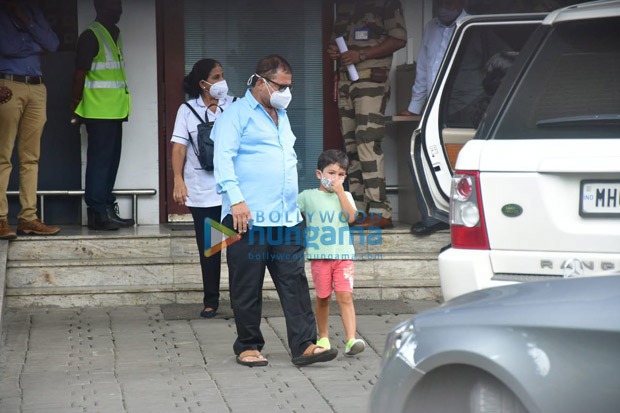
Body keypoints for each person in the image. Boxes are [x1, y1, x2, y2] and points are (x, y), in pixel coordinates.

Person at [213, 55, 338, 367]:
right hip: (246, 215)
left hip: (285, 216)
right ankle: (248, 345)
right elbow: (222, 159)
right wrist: (237, 200)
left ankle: (304, 345)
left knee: (293, 281)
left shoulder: (282, 114)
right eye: (281, 86)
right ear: (260, 82)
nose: (286, 92)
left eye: (289, 86)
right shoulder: (235, 114)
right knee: (247, 283)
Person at [327, 0, 407, 229]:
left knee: (368, 143)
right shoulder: (345, 6)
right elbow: (335, 40)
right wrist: (333, 49)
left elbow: (399, 39)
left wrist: (361, 55)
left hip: (370, 80)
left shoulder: (385, 4)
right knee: (351, 146)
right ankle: (358, 209)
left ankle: (380, 210)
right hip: (344, 81)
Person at [171, 58, 234, 319]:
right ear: (203, 83)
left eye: (222, 75)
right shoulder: (187, 110)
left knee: (236, 247)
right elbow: (179, 147)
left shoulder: (234, 105)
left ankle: (240, 297)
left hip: (230, 189)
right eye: (216, 77)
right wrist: (178, 179)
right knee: (210, 247)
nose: (221, 81)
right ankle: (211, 300)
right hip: (201, 188)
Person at [399, 0, 467, 236]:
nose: (442, 6)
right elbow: (423, 70)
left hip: (465, 105)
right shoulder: (431, 27)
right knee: (423, 157)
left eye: (448, 2)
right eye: (439, 2)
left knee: (461, 164)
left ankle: (463, 220)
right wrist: (415, 106)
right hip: (434, 105)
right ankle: (434, 217)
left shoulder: (472, 27)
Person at [71, 0, 134, 231]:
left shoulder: (114, 34)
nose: (117, 11)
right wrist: (75, 104)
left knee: (110, 161)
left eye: (119, 6)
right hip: (98, 112)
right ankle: (97, 213)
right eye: (111, 7)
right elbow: (80, 74)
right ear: (99, 8)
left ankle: (107, 207)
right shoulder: (90, 35)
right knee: (99, 162)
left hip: (115, 110)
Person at [0, 0, 61, 239]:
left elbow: (53, 44)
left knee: (31, 157)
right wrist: (35, 43)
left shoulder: (32, 10)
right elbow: (8, 45)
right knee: (3, 156)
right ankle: (1, 219)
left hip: (36, 87)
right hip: (7, 84)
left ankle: (28, 218)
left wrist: (26, 21)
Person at [298, 149, 366, 356]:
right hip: (320, 258)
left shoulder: (345, 196)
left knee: (345, 296)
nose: (336, 179)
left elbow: (351, 218)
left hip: (343, 256)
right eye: (331, 173)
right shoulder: (307, 197)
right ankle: (323, 337)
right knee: (323, 298)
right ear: (319, 174)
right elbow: (292, 213)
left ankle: (351, 339)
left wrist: (339, 193)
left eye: (341, 175)